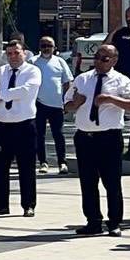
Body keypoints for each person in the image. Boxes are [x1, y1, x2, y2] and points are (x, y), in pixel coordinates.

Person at [64, 44, 130, 236]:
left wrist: (111, 99)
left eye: (104, 58)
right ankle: (93, 221)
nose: (99, 61)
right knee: (88, 181)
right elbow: (67, 104)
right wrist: (76, 104)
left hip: (109, 138)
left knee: (111, 182)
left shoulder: (122, 81)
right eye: (96, 57)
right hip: (85, 137)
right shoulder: (83, 79)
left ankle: (114, 223)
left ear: (114, 60)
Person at [0, 39, 40, 217]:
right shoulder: (0, 71)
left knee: (26, 167)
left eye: (16, 52)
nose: (12, 56)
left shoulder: (32, 70)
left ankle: (28, 204)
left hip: (24, 125)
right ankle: (2, 204)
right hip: (2, 125)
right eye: (9, 53)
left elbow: (26, 91)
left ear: (24, 53)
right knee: (1, 168)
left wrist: (1, 95)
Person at [33, 36, 72, 176]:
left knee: (59, 134)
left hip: (56, 105)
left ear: (54, 47)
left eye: (49, 45)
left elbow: (67, 82)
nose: (46, 48)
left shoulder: (60, 62)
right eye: (43, 45)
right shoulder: (32, 62)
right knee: (39, 135)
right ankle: (43, 162)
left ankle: (62, 162)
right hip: (38, 104)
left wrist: (66, 100)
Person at [105, 7, 130, 160]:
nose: (129, 18)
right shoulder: (120, 33)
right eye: (127, 16)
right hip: (120, 79)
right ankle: (114, 147)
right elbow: (105, 47)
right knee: (114, 111)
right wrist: (113, 31)